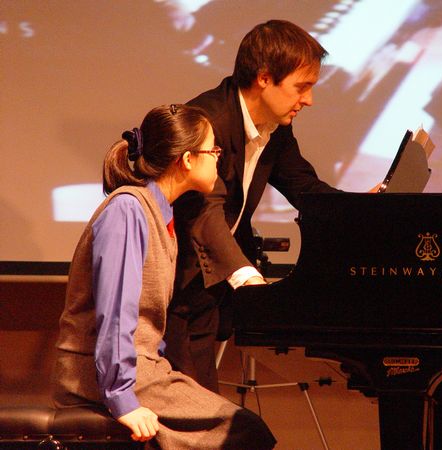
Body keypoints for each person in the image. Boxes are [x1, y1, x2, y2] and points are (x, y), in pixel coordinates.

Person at [52, 104, 276, 450]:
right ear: (187, 160)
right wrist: (122, 399)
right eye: (213, 151)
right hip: (102, 378)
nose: (218, 159)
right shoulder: (128, 209)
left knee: (238, 427)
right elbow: (115, 313)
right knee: (245, 431)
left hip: (144, 370)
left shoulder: (160, 212)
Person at [165, 19, 341, 392]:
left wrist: (357, 210)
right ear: (264, 78)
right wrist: (248, 279)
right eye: (302, 87)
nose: (309, 100)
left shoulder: (276, 127)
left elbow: (303, 186)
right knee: (186, 405)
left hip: (208, 288)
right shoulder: (207, 123)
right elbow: (206, 214)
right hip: (172, 289)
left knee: (201, 403)